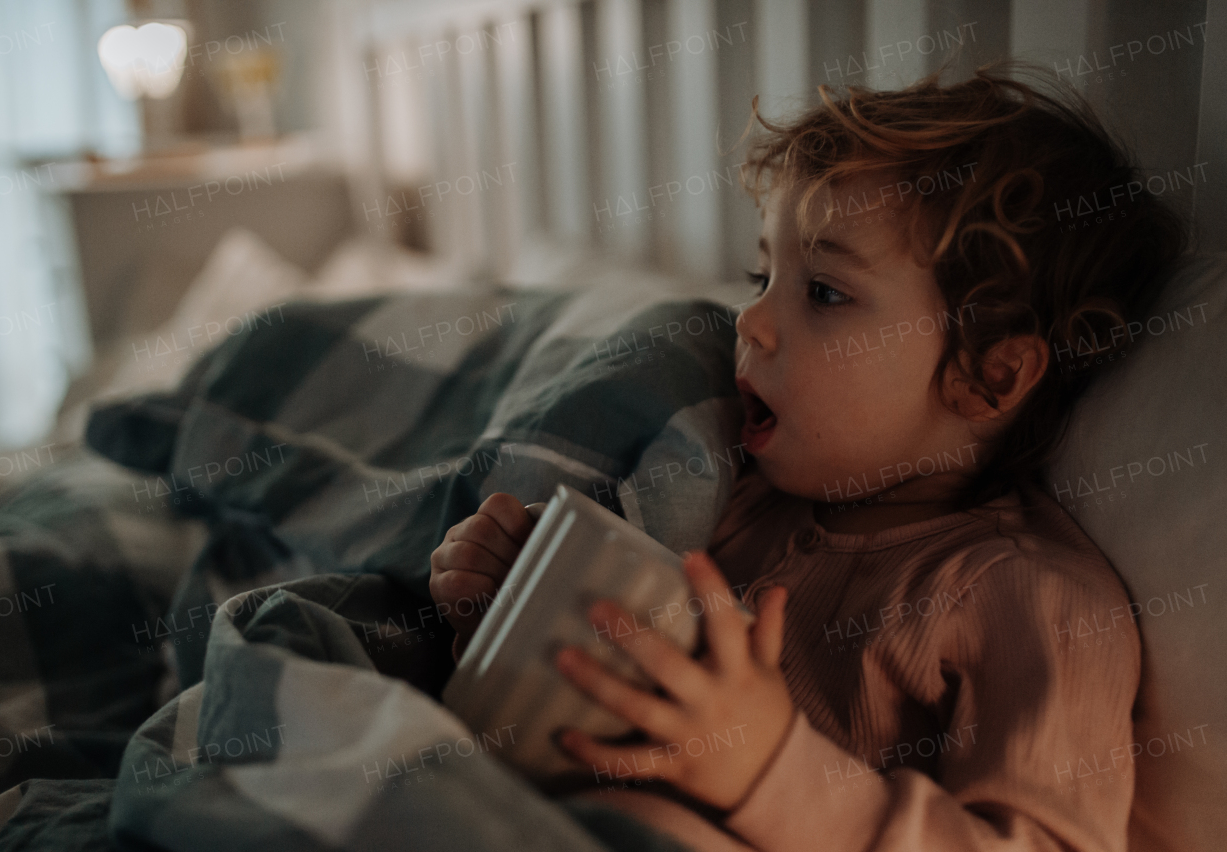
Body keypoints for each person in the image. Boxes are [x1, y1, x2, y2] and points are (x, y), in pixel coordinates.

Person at [429, 64, 1187, 852]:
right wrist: (506, 614)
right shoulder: (731, 499)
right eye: (763, 275)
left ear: (986, 373)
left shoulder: (1030, 598)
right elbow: (605, 722)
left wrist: (771, 772)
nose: (750, 319)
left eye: (823, 292)